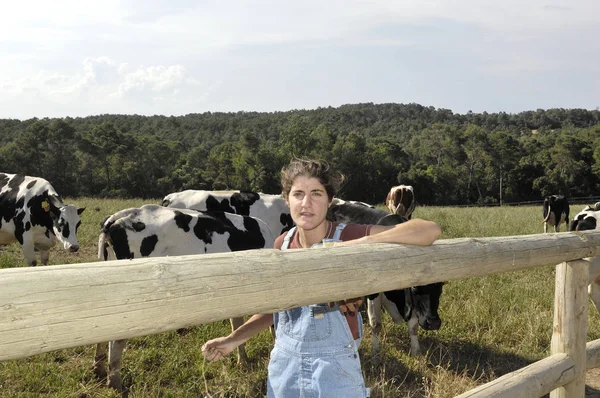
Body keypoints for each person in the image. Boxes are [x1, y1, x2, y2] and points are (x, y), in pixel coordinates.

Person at [201, 159, 441, 398]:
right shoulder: (281, 244)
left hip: (335, 372)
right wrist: (232, 340)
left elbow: (428, 230)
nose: (306, 204)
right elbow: (277, 310)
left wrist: (358, 245)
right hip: (284, 371)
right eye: (298, 194)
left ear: (330, 199)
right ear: (287, 199)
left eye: (316, 193)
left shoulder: (346, 234)